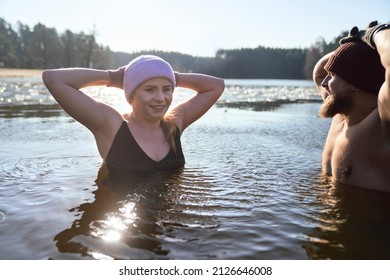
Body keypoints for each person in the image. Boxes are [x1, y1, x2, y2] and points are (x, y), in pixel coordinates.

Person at [42, 55, 225, 173]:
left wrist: (173, 76)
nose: (161, 98)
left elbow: (216, 86)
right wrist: (113, 77)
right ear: (132, 94)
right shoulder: (111, 125)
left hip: (169, 229)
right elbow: (54, 79)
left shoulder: (174, 124)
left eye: (167, 89)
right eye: (150, 89)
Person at [312, 21, 390, 192]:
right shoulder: (341, 113)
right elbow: (318, 72)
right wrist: (356, 43)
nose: (324, 82)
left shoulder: (383, 124)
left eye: (332, 75)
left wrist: (376, 33)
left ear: (354, 84)